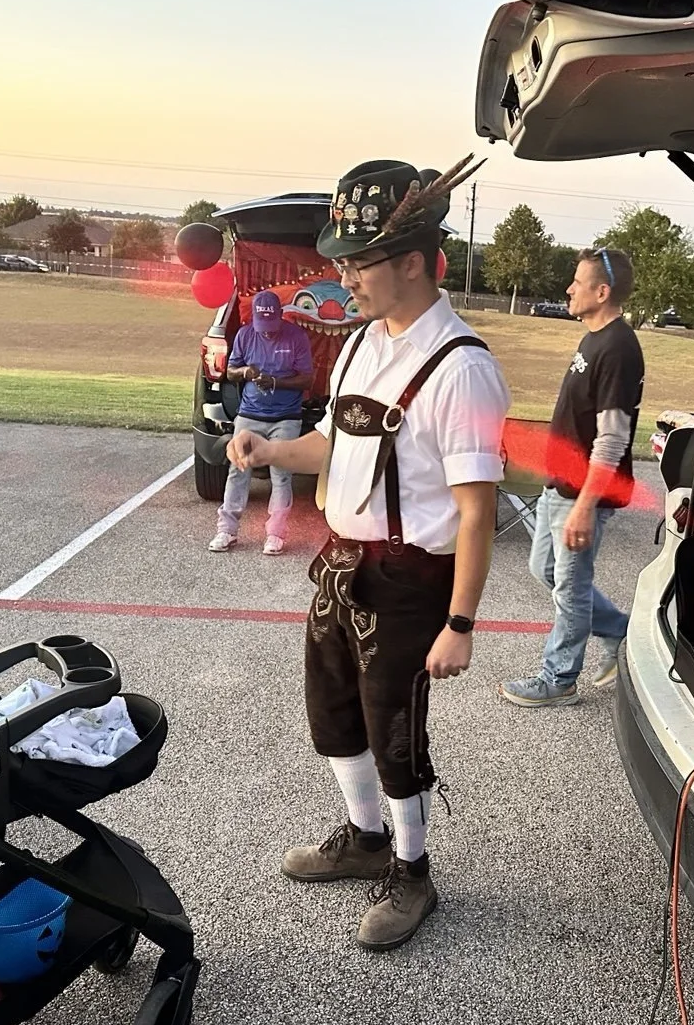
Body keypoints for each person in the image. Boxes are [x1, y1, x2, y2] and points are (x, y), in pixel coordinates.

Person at [227, 155, 508, 951]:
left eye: (357, 260)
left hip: (411, 578)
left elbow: (476, 512)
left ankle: (413, 871)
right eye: (342, 257)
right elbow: (329, 445)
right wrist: (271, 453)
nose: (341, 273)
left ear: (413, 262)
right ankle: (364, 838)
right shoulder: (358, 345)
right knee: (334, 712)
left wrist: (461, 620)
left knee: (394, 729)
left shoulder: (463, 368)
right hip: (342, 562)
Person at [500, 247, 645, 708]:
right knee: (543, 569)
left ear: (602, 292)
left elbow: (613, 438)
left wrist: (584, 505)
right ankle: (620, 630)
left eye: (578, 282)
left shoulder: (619, 348)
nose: (569, 289)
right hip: (558, 485)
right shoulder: (593, 338)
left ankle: (559, 678)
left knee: (570, 586)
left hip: (582, 495)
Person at [209, 289, 314, 555]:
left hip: (286, 416)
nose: (267, 332)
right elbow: (230, 372)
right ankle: (227, 530)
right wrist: (245, 371)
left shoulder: (296, 337)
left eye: (271, 325)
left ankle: (275, 534)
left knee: (281, 473)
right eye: (262, 326)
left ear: (280, 316)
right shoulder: (245, 334)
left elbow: (307, 379)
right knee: (238, 468)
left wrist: (276, 382)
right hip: (250, 413)